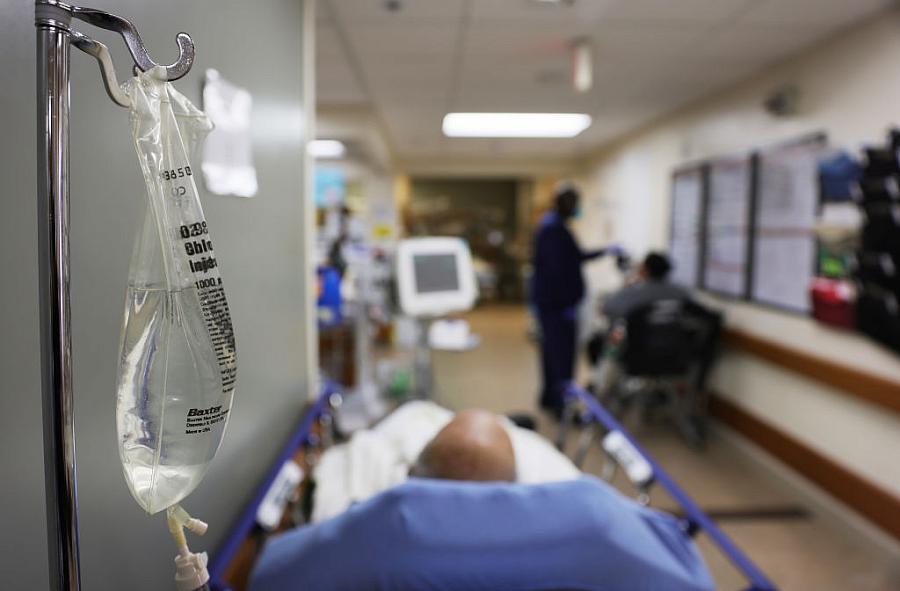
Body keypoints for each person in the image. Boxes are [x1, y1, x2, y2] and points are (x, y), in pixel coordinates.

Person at [531, 184, 621, 416]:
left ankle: (549, 398)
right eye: (573, 202)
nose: (576, 208)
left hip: (556, 305)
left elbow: (574, 257)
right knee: (561, 358)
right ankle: (561, 406)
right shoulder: (552, 229)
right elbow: (556, 270)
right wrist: (565, 304)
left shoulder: (556, 226)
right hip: (557, 306)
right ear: (562, 202)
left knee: (553, 355)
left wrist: (605, 251)